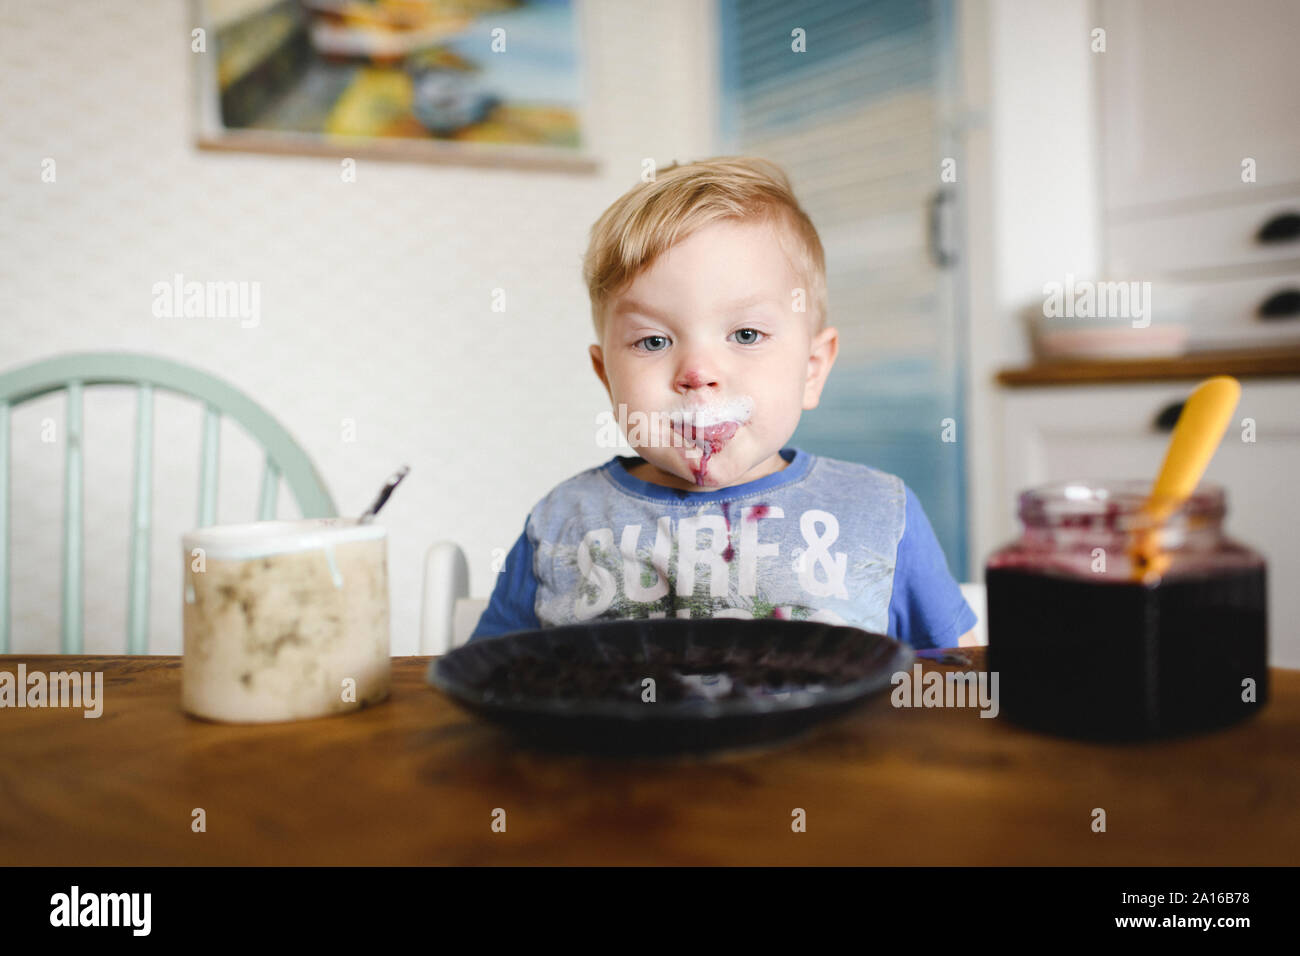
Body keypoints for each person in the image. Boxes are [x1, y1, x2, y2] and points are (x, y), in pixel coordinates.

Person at [471, 156, 975, 649]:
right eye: (653, 341)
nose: (699, 374)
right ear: (607, 378)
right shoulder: (561, 520)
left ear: (812, 369)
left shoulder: (881, 514)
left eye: (746, 333)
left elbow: (961, 684)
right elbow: (487, 683)